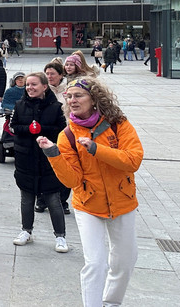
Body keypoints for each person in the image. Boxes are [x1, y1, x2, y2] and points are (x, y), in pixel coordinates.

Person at [40, 78, 143, 307]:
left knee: (125, 260)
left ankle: (112, 301)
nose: (72, 100)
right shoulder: (67, 135)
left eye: (79, 95)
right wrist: (54, 154)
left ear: (94, 99)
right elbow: (72, 180)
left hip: (122, 200)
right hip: (88, 203)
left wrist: (97, 149)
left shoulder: (118, 124)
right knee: (95, 263)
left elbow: (133, 160)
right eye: (69, 96)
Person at [9, 72, 68, 253]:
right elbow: (14, 127)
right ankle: (26, 231)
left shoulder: (56, 107)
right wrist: (28, 129)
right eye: (27, 85)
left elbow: (61, 130)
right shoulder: (19, 105)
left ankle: (60, 236)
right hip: (25, 158)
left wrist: (43, 130)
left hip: (47, 160)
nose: (30, 88)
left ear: (44, 86)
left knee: (53, 199)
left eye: (34, 84)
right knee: (27, 199)